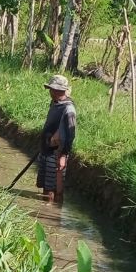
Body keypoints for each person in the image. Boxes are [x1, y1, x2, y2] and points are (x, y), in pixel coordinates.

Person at [35, 74, 76, 204]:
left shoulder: (68, 109)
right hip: (46, 150)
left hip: (56, 154)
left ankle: (50, 210)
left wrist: (63, 155)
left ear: (58, 90)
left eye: (51, 89)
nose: (50, 92)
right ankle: (46, 206)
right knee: (46, 185)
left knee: (53, 187)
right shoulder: (54, 103)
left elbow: (70, 134)